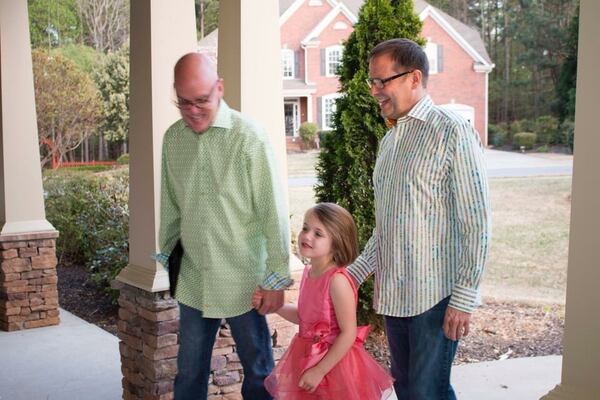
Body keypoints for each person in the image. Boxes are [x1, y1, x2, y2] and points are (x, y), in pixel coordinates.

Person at [348, 38, 492, 399]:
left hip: (435, 298)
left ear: (414, 77)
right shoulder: (390, 140)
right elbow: (389, 226)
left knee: (427, 393)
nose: (375, 91)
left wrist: (463, 297)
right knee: (413, 392)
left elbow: (475, 221)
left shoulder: (451, 131)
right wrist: (352, 275)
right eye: (372, 82)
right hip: (395, 297)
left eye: (383, 81)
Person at [156, 53, 292, 400]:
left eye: (201, 100)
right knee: (188, 374)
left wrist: (276, 278)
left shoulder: (249, 138)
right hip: (194, 279)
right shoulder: (173, 139)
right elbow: (171, 205)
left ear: (219, 88)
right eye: (183, 102)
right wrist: (166, 258)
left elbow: (271, 212)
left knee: (260, 374)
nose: (193, 110)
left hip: (244, 281)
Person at [253, 203, 394, 399]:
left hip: (333, 365)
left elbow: (348, 333)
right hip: (306, 356)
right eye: (305, 228)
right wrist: (276, 306)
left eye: (318, 234)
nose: (307, 236)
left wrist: (320, 370)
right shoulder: (309, 273)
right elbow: (304, 318)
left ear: (337, 243)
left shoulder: (337, 281)